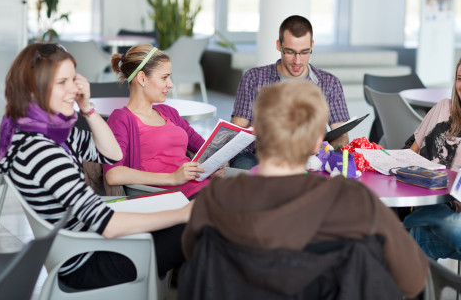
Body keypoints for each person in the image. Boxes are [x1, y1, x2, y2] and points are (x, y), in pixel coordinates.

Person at [181, 80, 427, 299]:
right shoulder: (355, 201)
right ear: (317, 142)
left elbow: (197, 259)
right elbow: (413, 280)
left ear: (256, 133)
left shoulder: (217, 196)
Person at [0, 43, 192, 290]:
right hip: (85, 259)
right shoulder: (42, 151)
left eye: (73, 79)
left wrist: (87, 108)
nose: (74, 89)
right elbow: (109, 225)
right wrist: (185, 213)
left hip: (88, 243)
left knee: (194, 227)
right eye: (62, 82)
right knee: (196, 226)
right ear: (34, 89)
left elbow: (112, 154)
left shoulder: (50, 133)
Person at [230, 15, 351, 169]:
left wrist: (324, 150)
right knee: (245, 166)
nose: (297, 61)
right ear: (278, 45)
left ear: (312, 45)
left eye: (304, 52)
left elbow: (342, 135)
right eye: (290, 52)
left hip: (310, 157)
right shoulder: (253, 78)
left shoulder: (329, 83)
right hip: (259, 155)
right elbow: (236, 131)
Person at [103, 44, 223, 200]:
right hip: (173, 197)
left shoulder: (168, 112)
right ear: (142, 78)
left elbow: (204, 148)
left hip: (204, 189)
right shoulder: (122, 119)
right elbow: (113, 174)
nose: (171, 84)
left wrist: (215, 163)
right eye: (164, 77)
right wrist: (173, 178)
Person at [403, 58, 461, 260]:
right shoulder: (444, 107)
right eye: (460, 79)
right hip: (430, 199)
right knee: (420, 236)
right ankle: (418, 221)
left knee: (454, 227)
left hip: (457, 212)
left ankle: (413, 221)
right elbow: (411, 152)